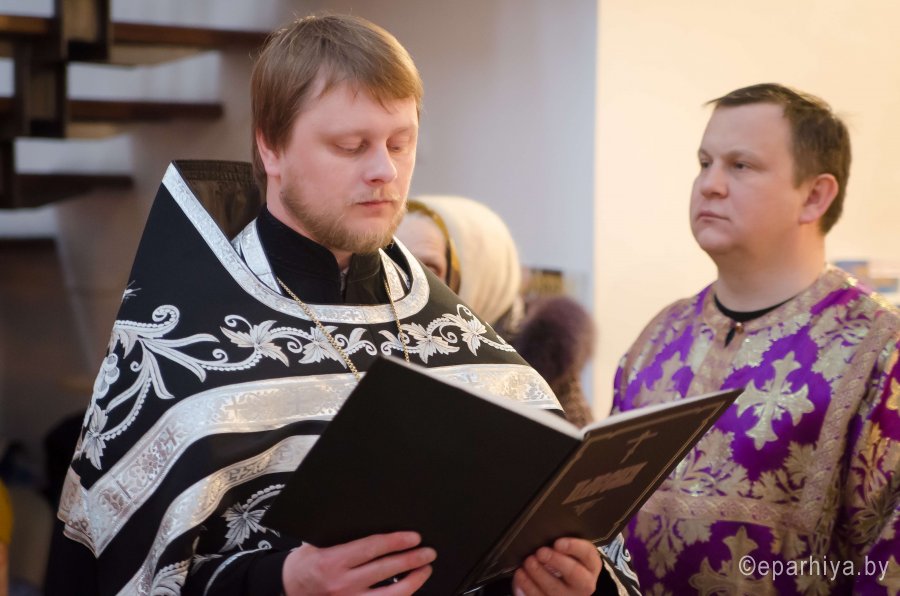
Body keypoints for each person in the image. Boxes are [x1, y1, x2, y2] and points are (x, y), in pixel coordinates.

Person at [45, 14, 638, 596]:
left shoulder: (462, 337)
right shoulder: (176, 346)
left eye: (401, 143)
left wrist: (574, 584)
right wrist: (286, 583)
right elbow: (116, 573)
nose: (385, 171)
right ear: (271, 147)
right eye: (351, 146)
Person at [611, 83, 900, 594]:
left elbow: (887, 563)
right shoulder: (660, 335)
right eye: (704, 163)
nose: (710, 185)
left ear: (814, 196)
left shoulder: (879, 347)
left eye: (740, 165)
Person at [397, 196, 595, 427]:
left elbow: (577, 448)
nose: (402, 285)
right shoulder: (388, 339)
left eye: (429, 270)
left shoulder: (540, 370)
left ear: (482, 274)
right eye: (393, 266)